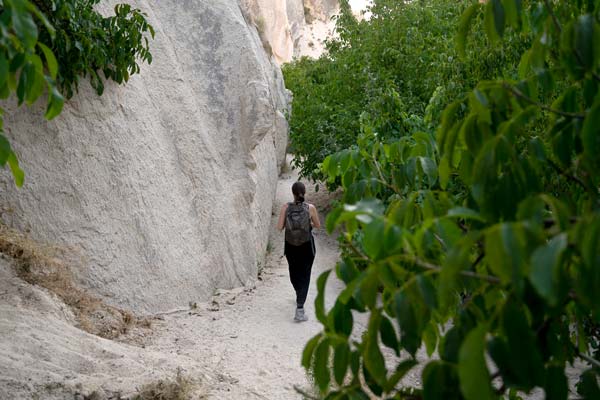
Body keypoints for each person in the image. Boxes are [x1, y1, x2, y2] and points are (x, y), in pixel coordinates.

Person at [277, 181, 321, 322]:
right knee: (305, 274)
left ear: (292, 193)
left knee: (294, 272)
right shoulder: (310, 208)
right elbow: (318, 225)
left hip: (290, 246)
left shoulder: (285, 207)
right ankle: (300, 308)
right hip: (307, 246)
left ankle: (299, 296)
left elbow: (279, 227)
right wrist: (308, 224)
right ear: (304, 193)